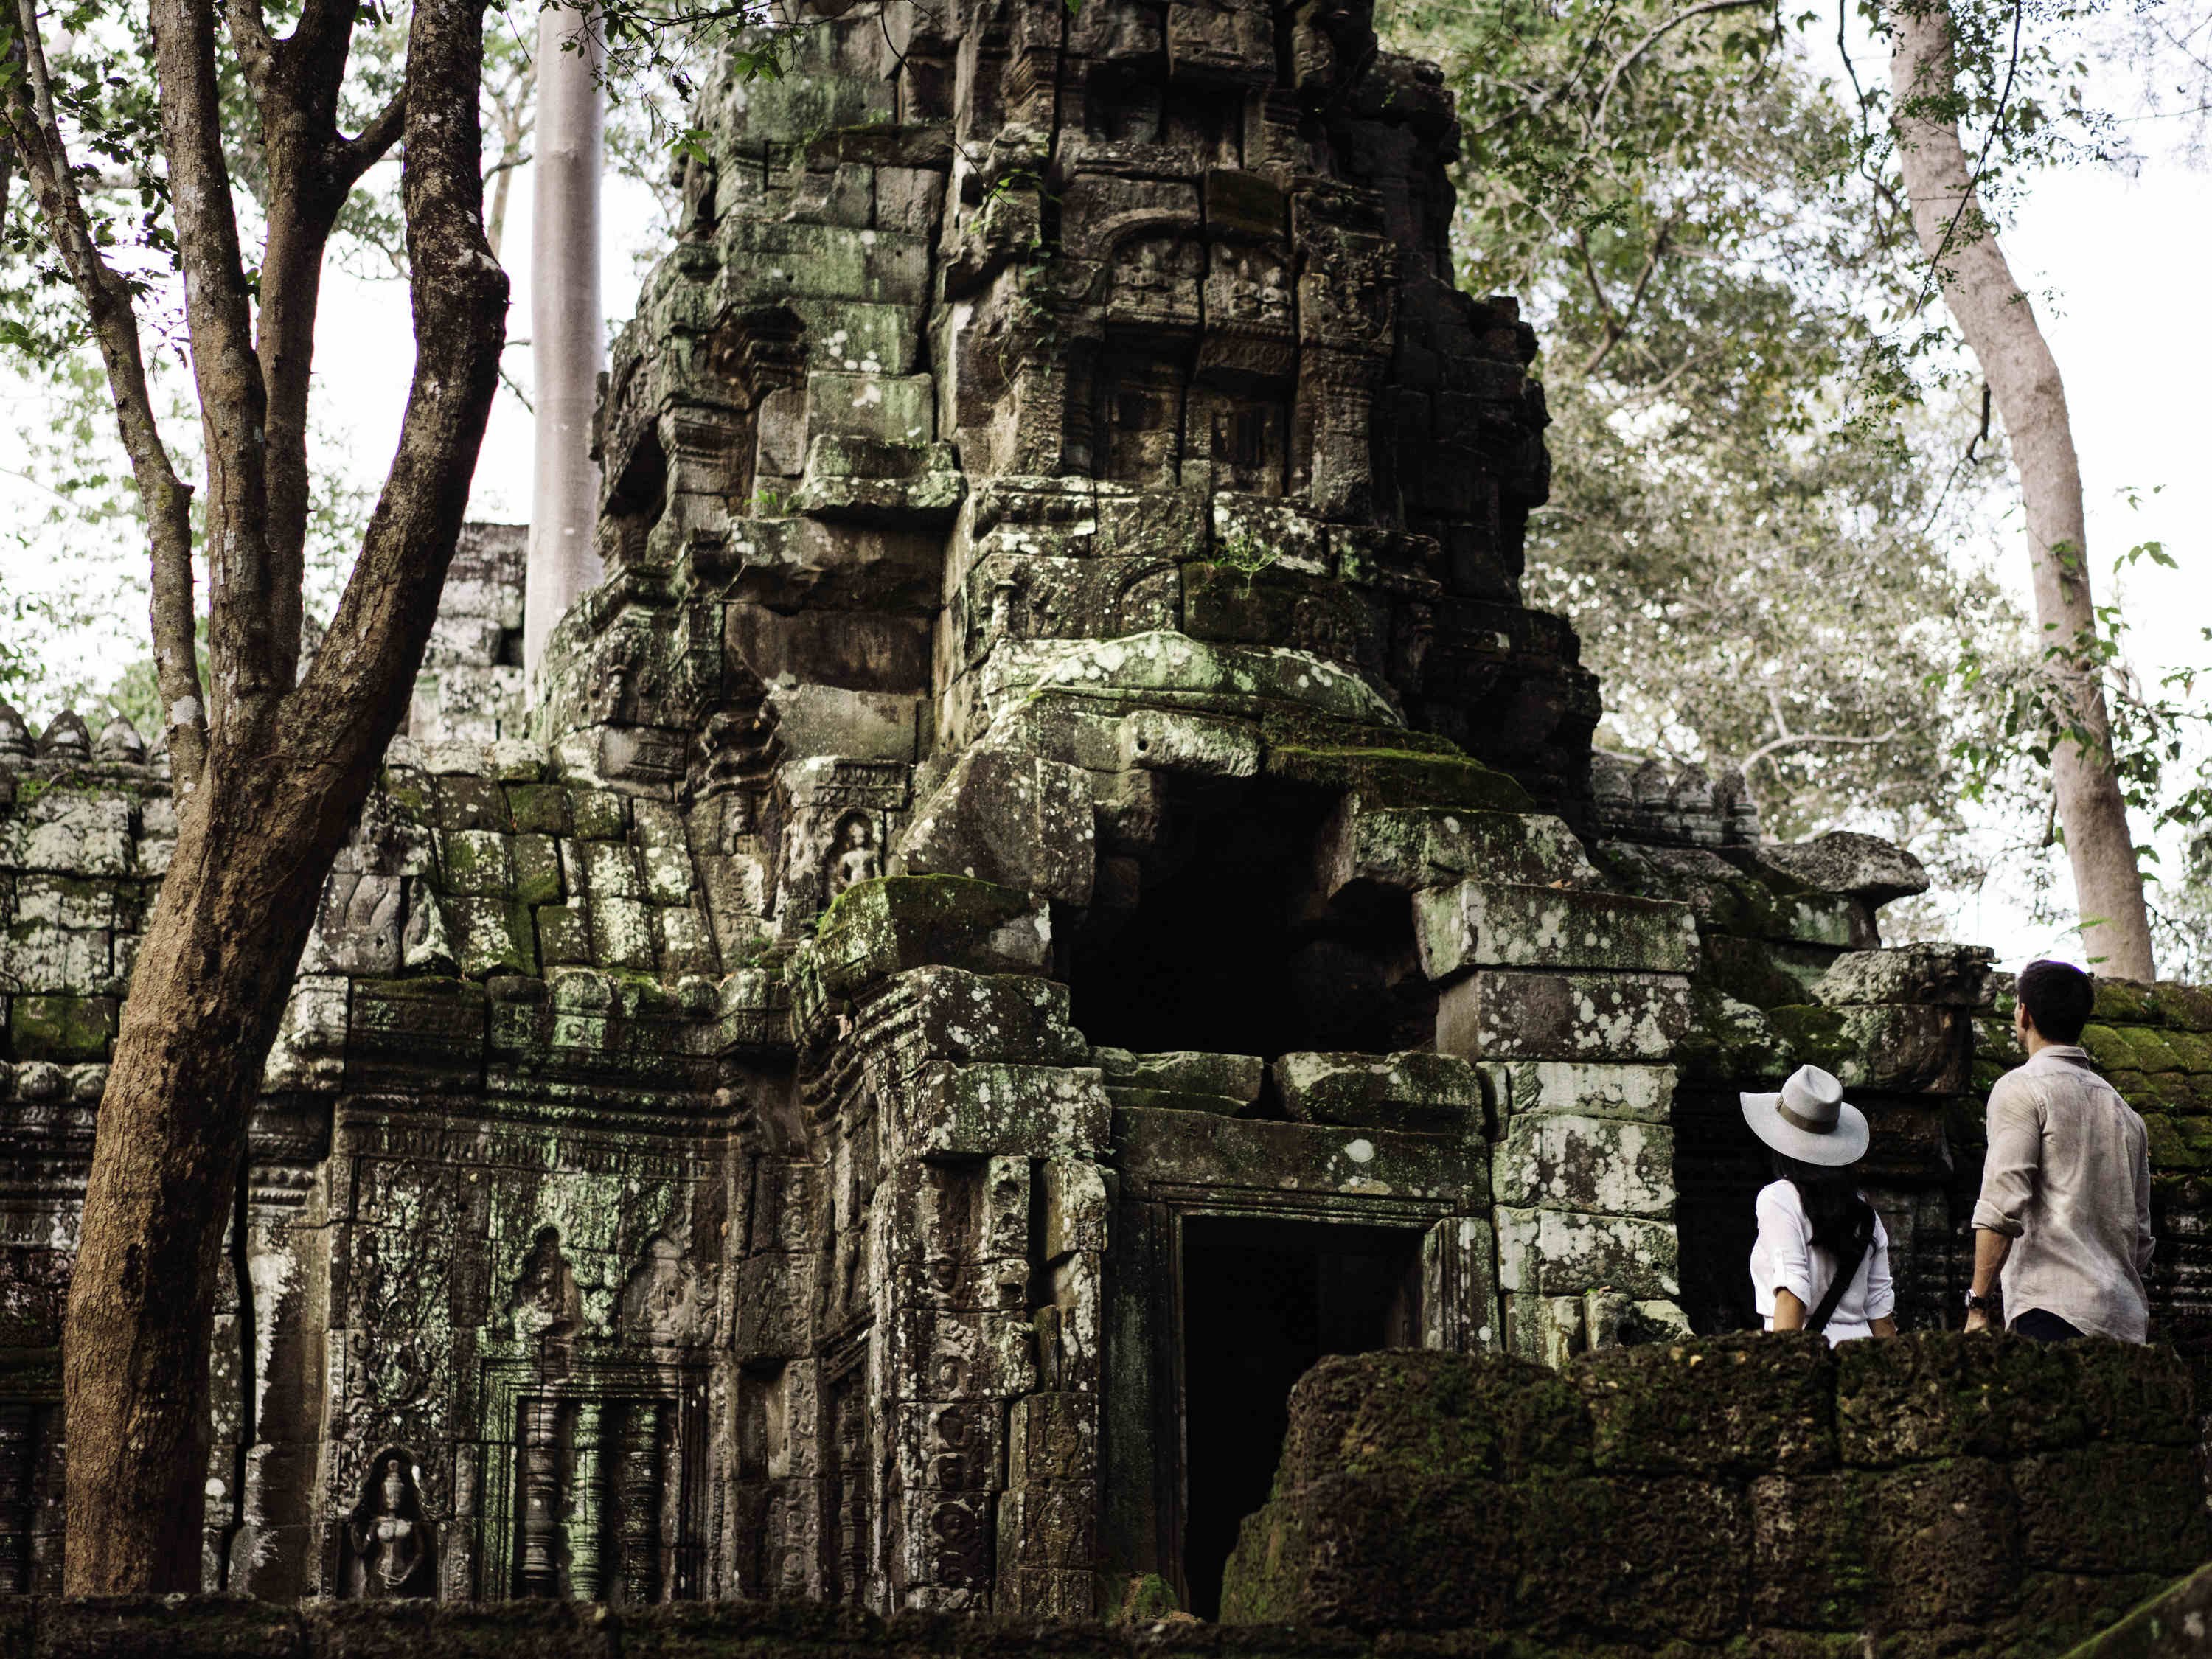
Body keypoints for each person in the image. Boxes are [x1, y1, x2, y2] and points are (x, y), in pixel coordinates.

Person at [1965, 959, 2153, 1341]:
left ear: (2024, 1014)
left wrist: (1978, 1305)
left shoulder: (2021, 1088)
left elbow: (2001, 1205)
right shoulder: (2124, 1112)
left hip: (2051, 1311)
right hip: (2124, 1319)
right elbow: (2142, 1237)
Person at [1742, 1063, 1898, 1344]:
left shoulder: (1778, 1199)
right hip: (1861, 1356)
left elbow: (1792, 1293)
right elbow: (1881, 1312)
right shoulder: (1864, 1210)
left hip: (1806, 1349)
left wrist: (1787, 1367)